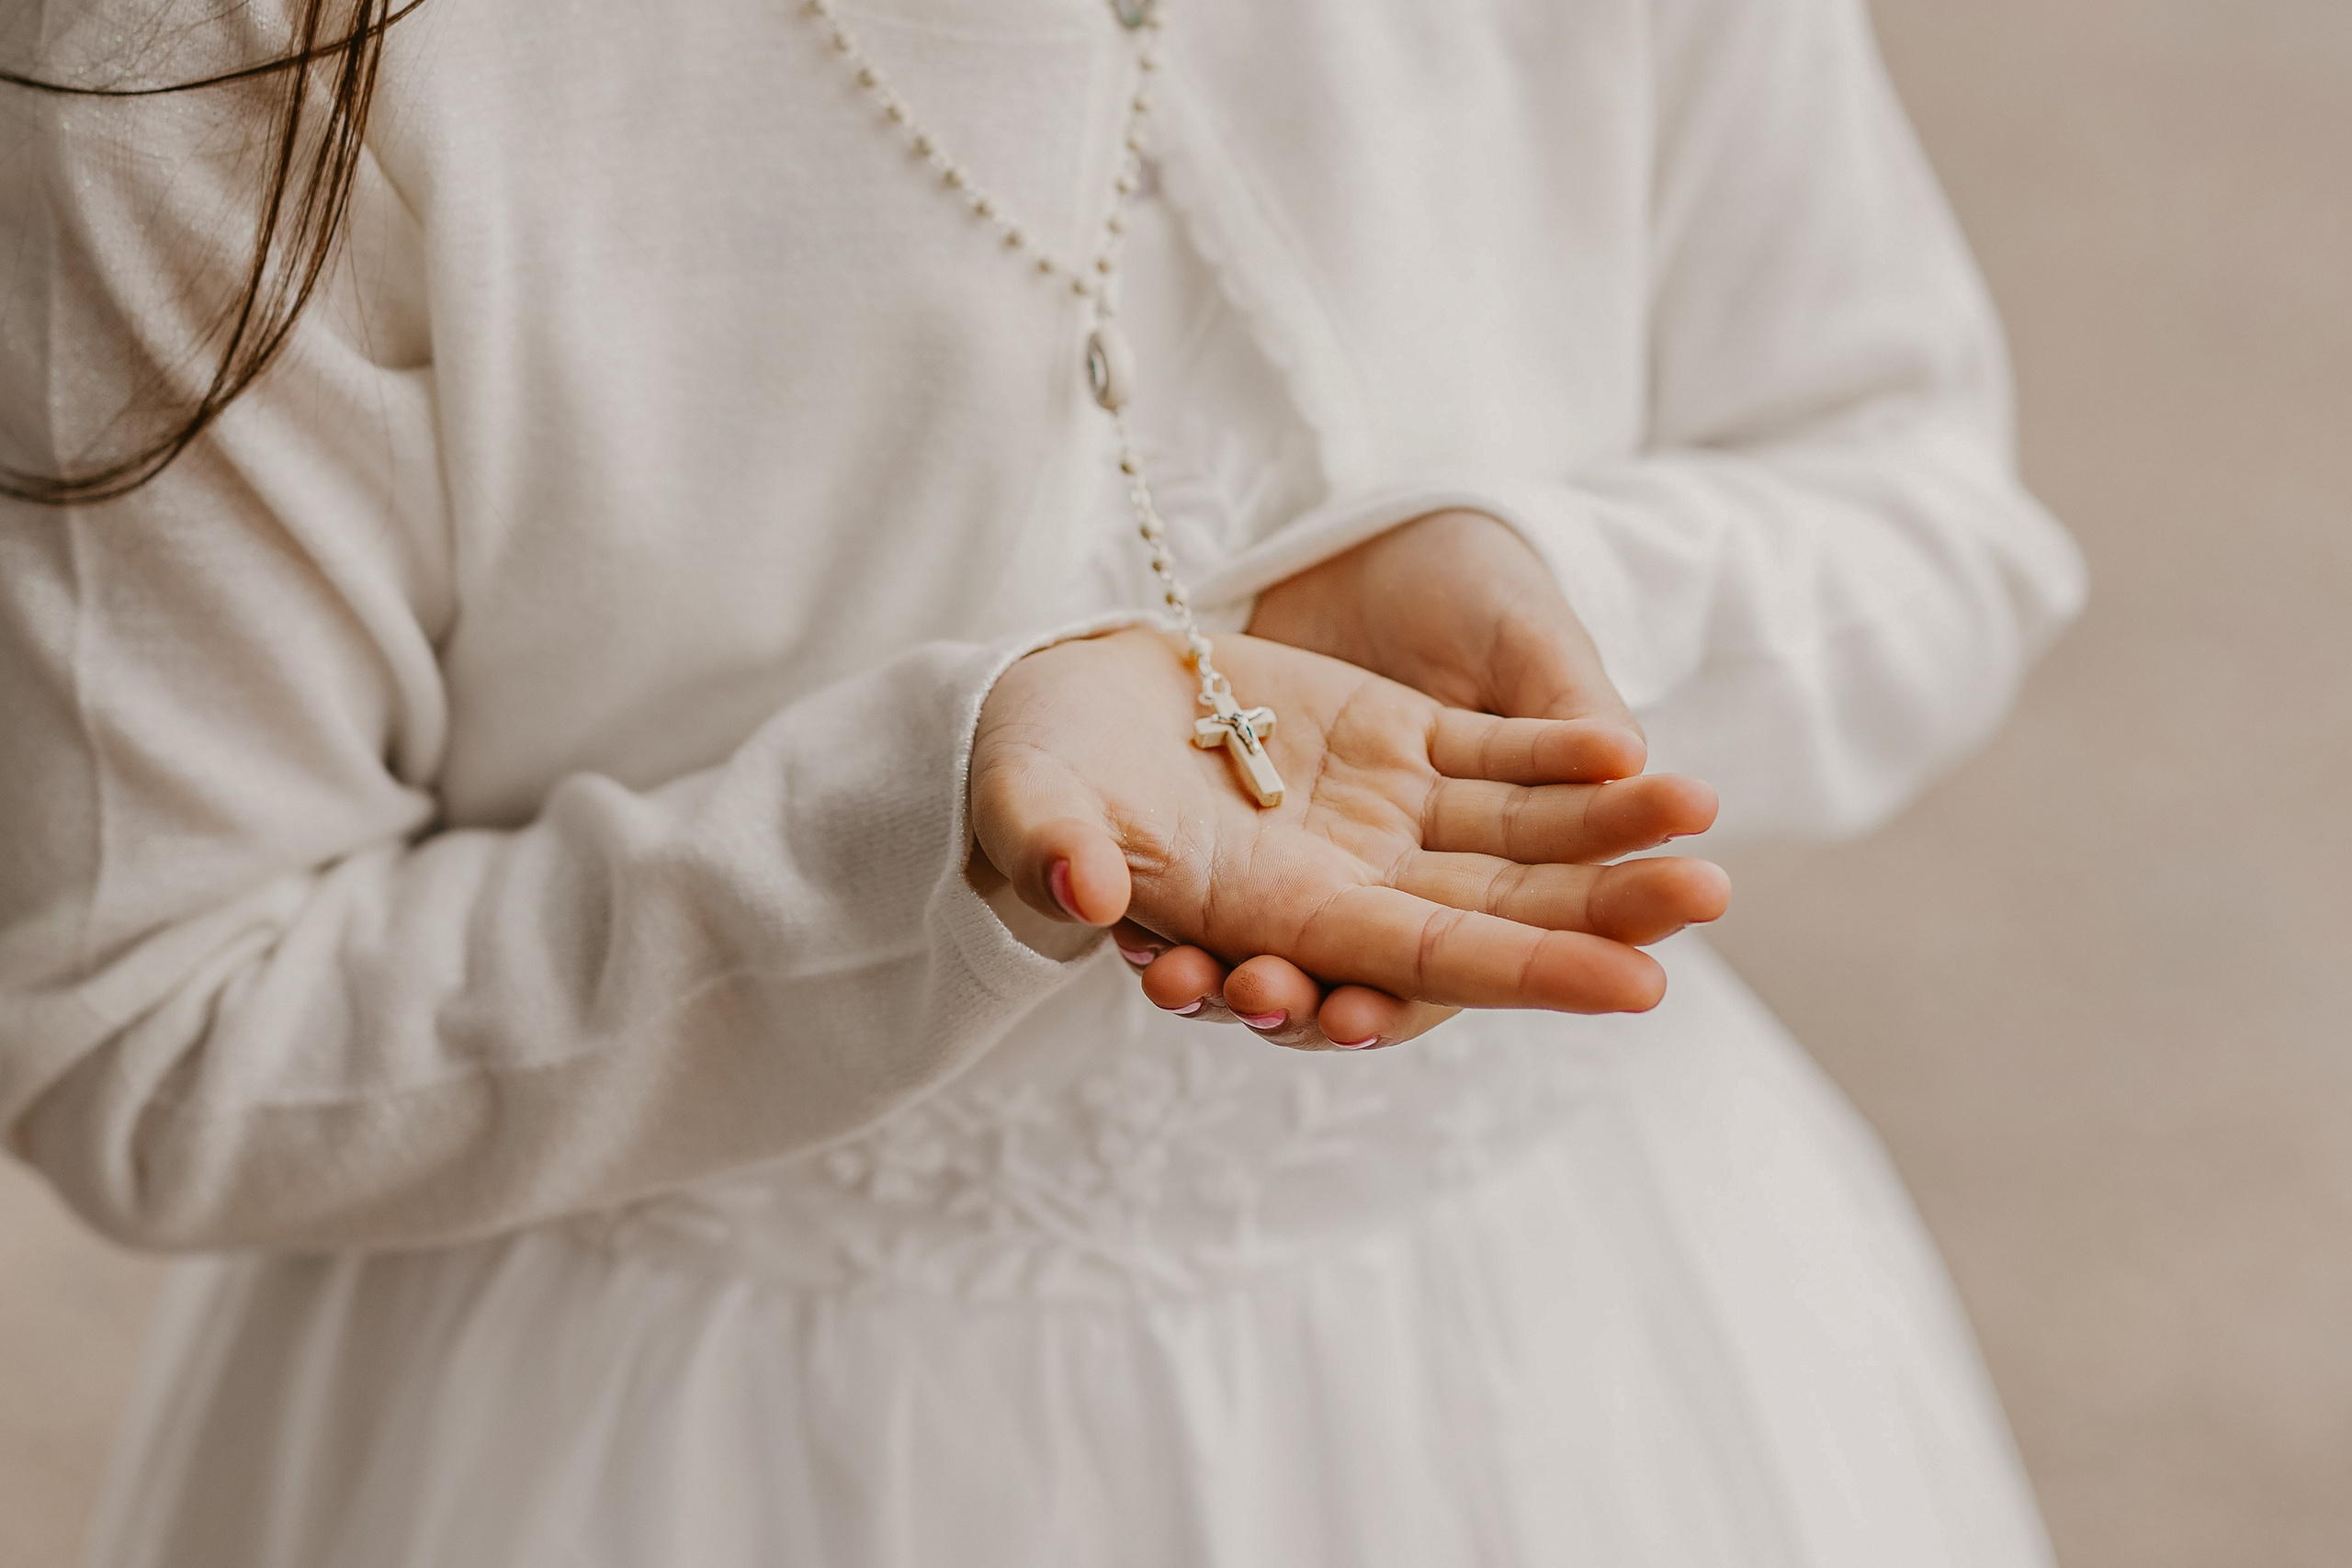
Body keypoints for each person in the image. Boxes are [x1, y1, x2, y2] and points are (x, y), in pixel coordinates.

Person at [0, 0, 2086, 1562]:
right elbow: (155, 1017)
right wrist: (923, 818)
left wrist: (1553, 591)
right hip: (664, 1445)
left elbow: (1927, 505)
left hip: (1579, 1374)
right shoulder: (231, 60)